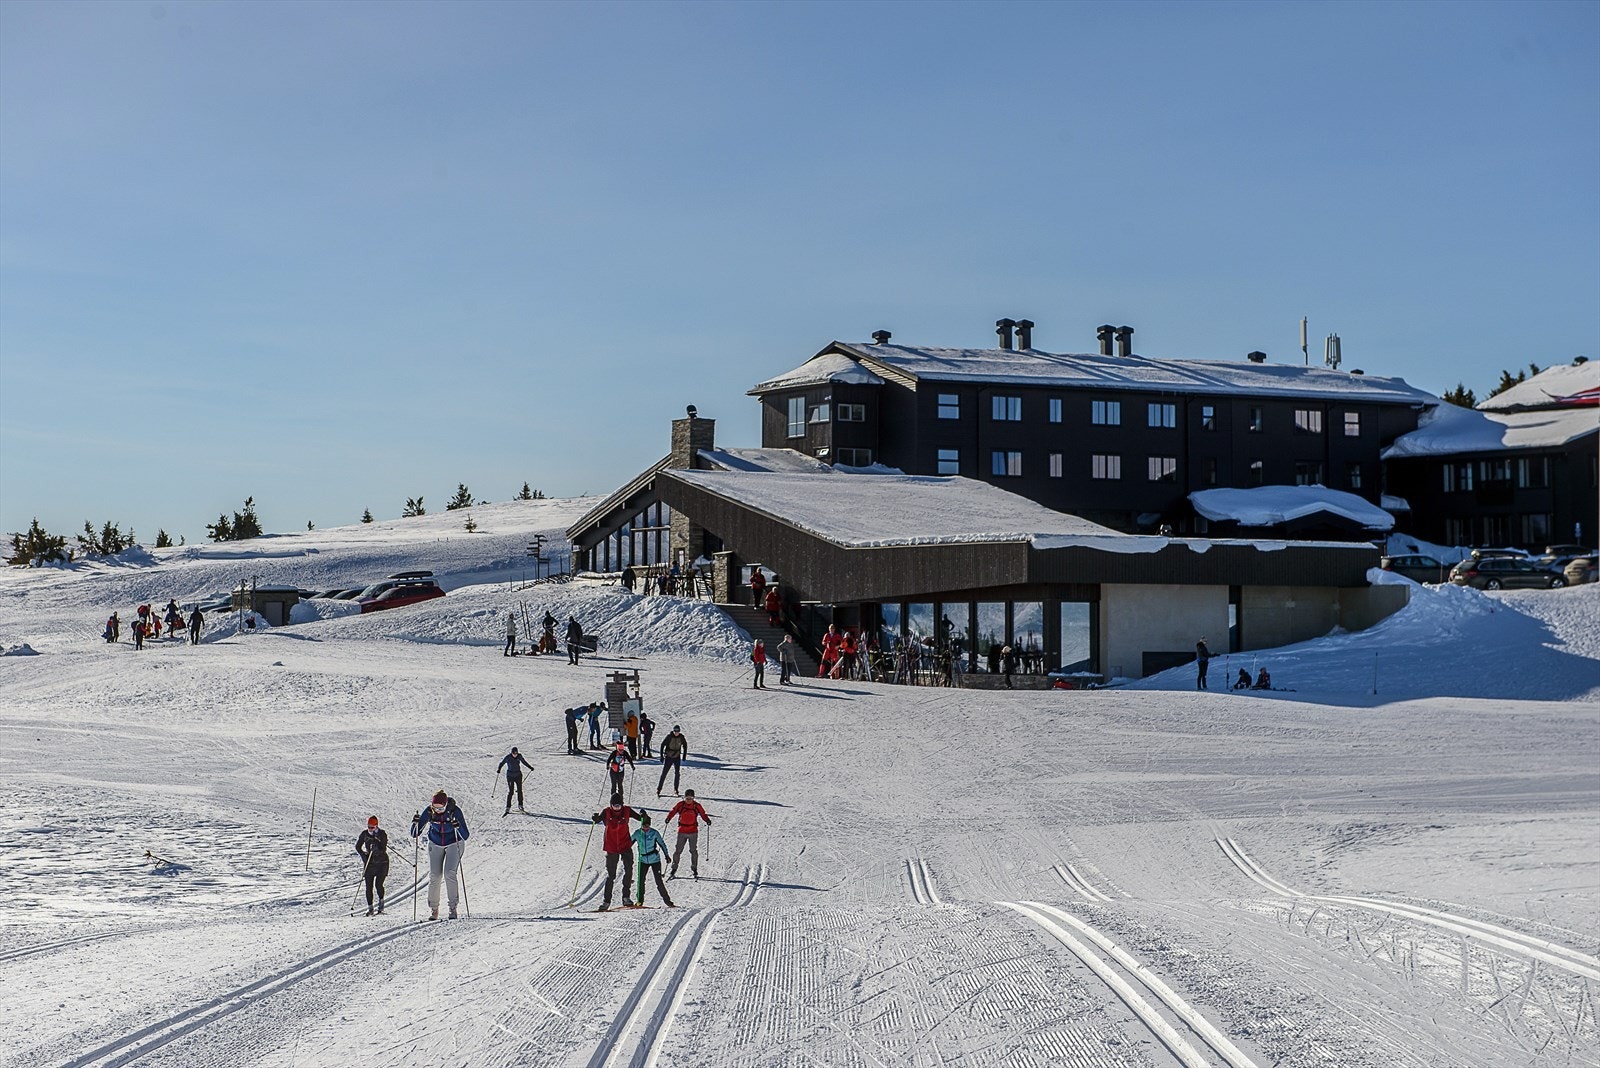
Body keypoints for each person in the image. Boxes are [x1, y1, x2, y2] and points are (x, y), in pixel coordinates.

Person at [410, 790, 469, 921]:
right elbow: (415, 833)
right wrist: (414, 823)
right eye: (436, 808)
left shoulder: (455, 811)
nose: (438, 811)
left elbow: (465, 835)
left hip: (454, 842)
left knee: (449, 872)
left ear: (446, 804)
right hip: (436, 843)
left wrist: (457, 826)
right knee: (435, 875)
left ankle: (453, 907)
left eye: (441, 808)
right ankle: (434, 909)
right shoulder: (430, 811)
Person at [591, 792, 645, 910]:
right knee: (611, 875)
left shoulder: (627, 811)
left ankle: (626, 897)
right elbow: (599, 819)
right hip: (611, 847)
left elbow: (640, 818)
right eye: (614, 806)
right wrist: (596, 818)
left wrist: (643, 815)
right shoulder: (606, 812)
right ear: (611, 805)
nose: (616, 808)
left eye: (618, 806)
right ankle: (606, 901)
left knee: (629, 870)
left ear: (622, 805)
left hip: (625, 845)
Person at [666, 789, 713, 880]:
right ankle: (674, 869)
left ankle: (694, 868)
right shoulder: (681, 805)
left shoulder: (696, 806)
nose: (689, 800)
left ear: (693, 798)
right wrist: (668, 818)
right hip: (682, 831)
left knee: (693, 850)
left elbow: (703, 814)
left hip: (693, 831)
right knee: (678, 850)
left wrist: (707, 820)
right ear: (684, 797)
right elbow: (673, 811)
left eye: (691, 798)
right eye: (687, 798)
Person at [631, 814, 675, 908]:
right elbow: (628, 844)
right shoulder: (637, 833)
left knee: (658, 881)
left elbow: (662, 844)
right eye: (643, 826)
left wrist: (666, 855)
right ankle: (639, 901)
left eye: (647, 826)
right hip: (642, 860)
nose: (645, 828)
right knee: (640, 881)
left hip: (654, 859)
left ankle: (667, 901)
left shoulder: (654, 833)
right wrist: (625, 854)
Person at [355, 816, 390, 916]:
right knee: (368, 887)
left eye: (372, 827)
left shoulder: (382, 834)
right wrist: (364, 855)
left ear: (376, 826)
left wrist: (377, 849)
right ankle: (370, 908)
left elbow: (383, 849)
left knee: (378, 885)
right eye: (369, 827)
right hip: (370, 863)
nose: (370, 829)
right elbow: (358, 847)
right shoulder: (364, 834)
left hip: (382, 863)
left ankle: (381, 905)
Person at [497, 747, 533, 815]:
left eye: (516, 753)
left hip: (518, 775)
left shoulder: (519, 756)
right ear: (512, 753)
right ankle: (508, 807)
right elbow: (502, 763)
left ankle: (520, 805)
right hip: (510, 776)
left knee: (519, 790)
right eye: (514, 753)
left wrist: (530, 767)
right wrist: (499, 769)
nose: (515, 755)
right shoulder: (508, 757)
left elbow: (524, 762)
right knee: (511, 791)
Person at [658, 724, 687, 797]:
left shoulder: (681, 737)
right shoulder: (669, 737)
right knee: (664, 773)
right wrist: (661, 756)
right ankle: (659, 789)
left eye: (678, 731)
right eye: (675, 731)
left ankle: (676, 789)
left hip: (677, 756)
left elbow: (685, 745)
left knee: (677, 773)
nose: (676, 732)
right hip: (669, 757)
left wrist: (684, 756)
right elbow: (662, 745)